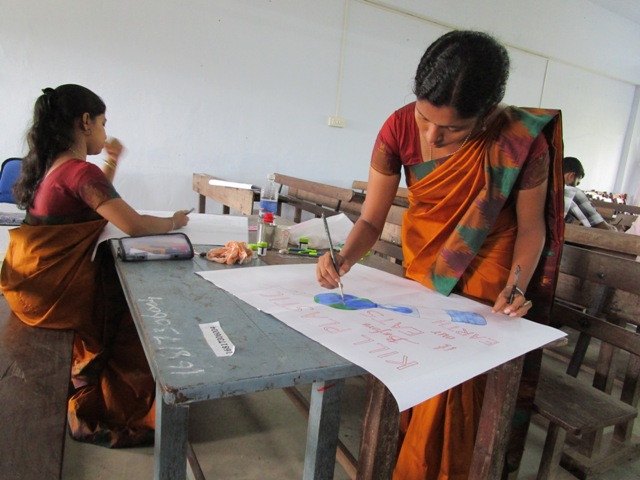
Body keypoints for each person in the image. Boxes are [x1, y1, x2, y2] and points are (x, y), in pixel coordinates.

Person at [316, 31, 565, 479]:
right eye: (424, 117)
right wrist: (344, 257)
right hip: (425, 261)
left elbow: (532, 228)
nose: (433, 134)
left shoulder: (519, 141)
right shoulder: (397, 129)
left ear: (488, 115)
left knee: (455, 380)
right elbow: (371, 220)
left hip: (490, 262)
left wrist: (516, 285)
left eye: (453, 129)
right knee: (414, 362)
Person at [0, 84, 191, 447]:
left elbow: (90, 196)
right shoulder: (80, 173)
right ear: (85, 122)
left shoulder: (54, 165)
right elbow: (134, 225)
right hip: (50, 298)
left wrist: (111, 162)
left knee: (112, 276)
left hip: (28, 286)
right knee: (133, 309)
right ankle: (125, 399)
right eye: (103, 123)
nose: (105, 132)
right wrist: (174, 221)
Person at [563, 156, 618, 230]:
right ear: (570, 176)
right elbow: (602, 227)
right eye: (577, 183)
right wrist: (614, 229)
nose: (576, 186)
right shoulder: (571, 192)